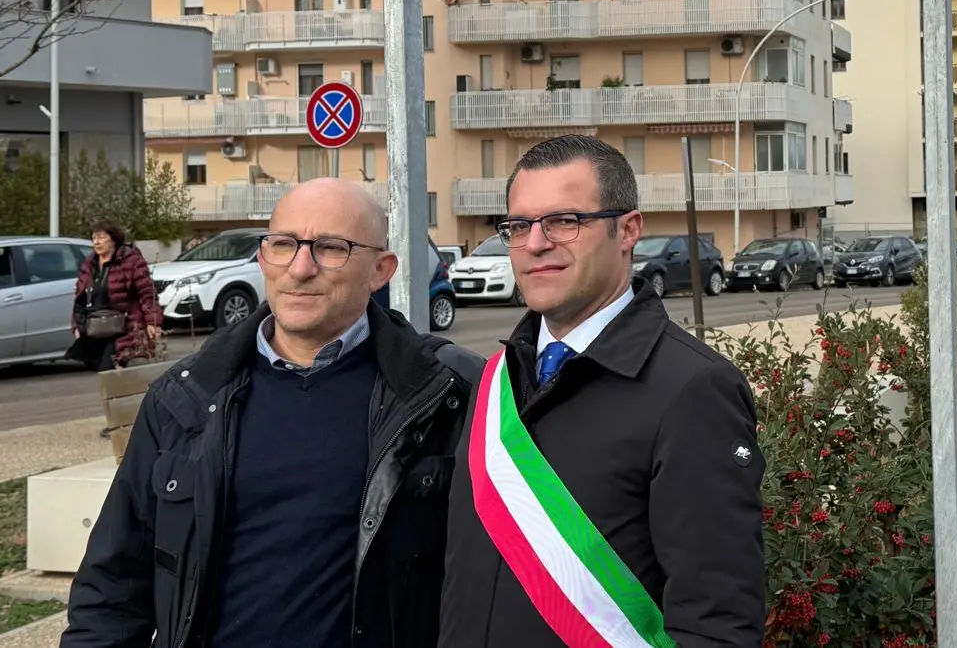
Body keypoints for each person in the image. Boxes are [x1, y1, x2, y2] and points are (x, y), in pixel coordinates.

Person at [60, 179, 484, 648]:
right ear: (263, 258)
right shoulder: (185, 398)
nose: (301, 268)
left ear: (380, 270)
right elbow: (114, 582)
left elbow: (497, 587)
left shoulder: (448, 394)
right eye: (283, 245)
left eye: (330, 248)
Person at [437, 134, 766, 648]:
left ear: (628, 230)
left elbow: (717, 621)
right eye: (519, 226)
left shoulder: (693, 389)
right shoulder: (496, 378)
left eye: (564, 221)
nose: (536, 243)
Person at [67, 220, 159, 372]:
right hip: (95, 328)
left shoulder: (131, 261)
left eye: (101, 237)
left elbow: (147, 292)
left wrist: (152, 321)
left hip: (124, 326)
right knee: (106, 373)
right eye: (94, 238)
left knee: (109, 370)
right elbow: (80, 297)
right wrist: (77, 325)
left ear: (114, 239)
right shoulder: (90, 264)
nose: (96, 242)